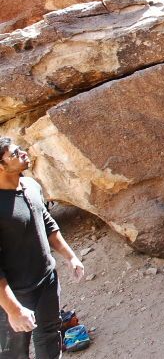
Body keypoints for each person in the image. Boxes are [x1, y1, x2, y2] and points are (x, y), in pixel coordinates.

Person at [0, 137, 85, 359]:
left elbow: (47, 224)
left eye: (21, 149)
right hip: (15, 293)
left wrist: (71, 257)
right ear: (1, 166)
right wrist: (13, 310)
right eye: (15, 154)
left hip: (47, 281)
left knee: (49, 336)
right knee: (13, 352)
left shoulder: (31, 186)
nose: (23, 154)